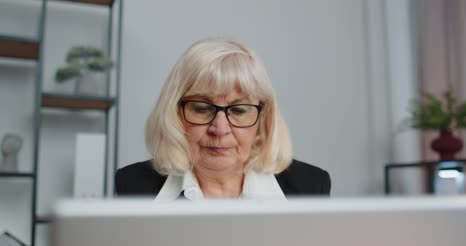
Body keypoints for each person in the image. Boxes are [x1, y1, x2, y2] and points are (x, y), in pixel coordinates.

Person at [115, 38, 330, 200]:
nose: (220, 129)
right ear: (175, 114)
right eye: (201, 108)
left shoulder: (310, 186)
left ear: (263, 120)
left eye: (238, 110)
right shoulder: (132, 185)